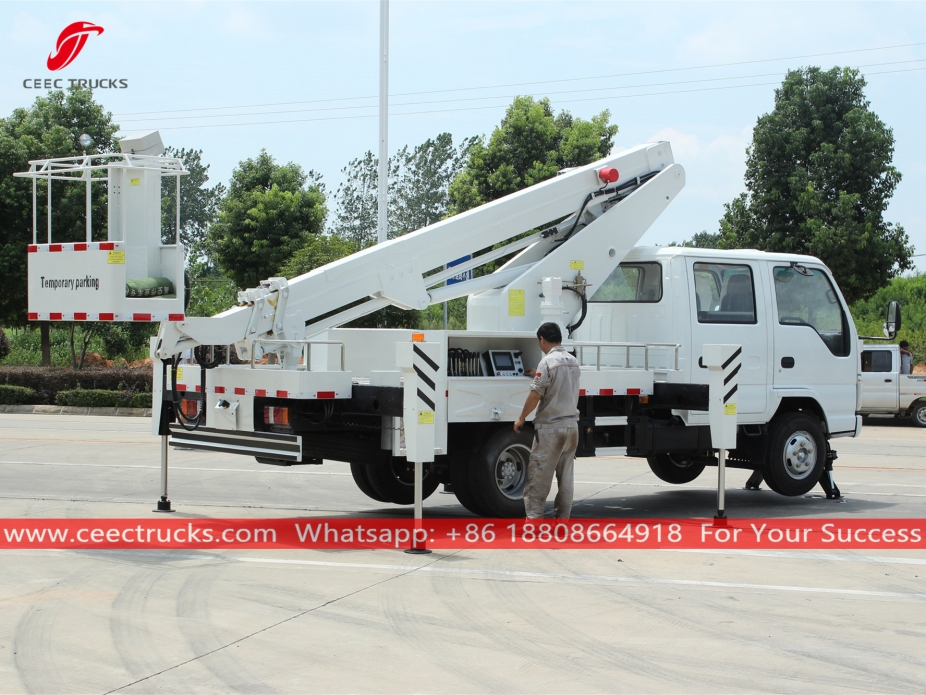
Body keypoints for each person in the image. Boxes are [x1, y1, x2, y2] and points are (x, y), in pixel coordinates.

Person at [513, 322, 581, 519]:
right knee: (566, 481)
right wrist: (538, 374)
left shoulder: (547, 362)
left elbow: (535, 395)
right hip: (571, 428)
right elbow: (561, 382)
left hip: (551, 429)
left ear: (542, 339)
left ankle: (533, 526)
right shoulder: (572, 361)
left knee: (538, 479)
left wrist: (521, 417)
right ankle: (562, 525)